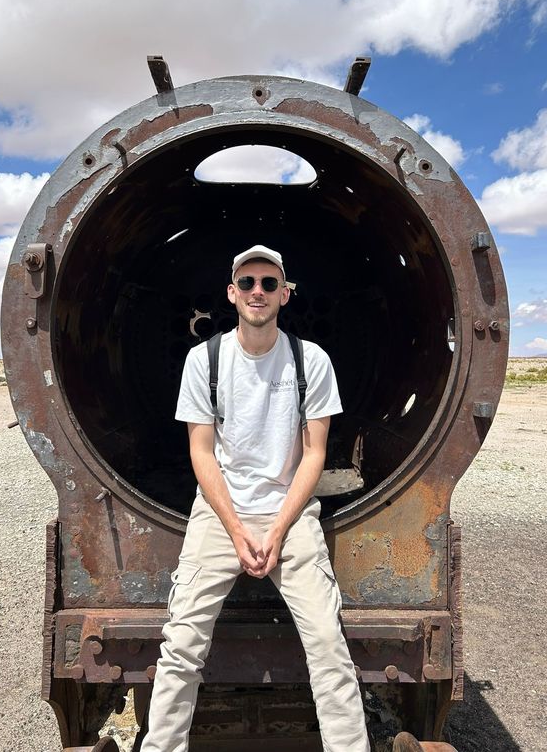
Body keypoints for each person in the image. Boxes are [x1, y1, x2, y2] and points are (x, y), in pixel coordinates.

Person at [141, 244, 370, 752]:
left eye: (269, 283)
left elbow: (314, 455)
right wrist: (239, 531)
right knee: (180, 645)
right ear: (231, 294)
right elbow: (202, 454)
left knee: (329, 647)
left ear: (286, 294)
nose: (258, 292)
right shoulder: (205, 360)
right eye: (247, 283)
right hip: (222, 515)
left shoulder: (312, 361)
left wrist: (279, 527)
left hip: (289, 513)